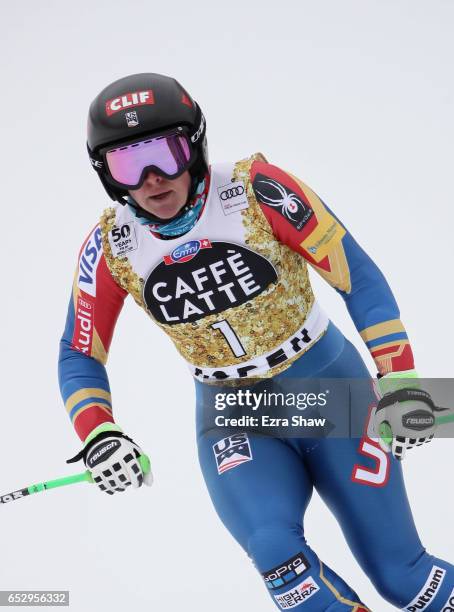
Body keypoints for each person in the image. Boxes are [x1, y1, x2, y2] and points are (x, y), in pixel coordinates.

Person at [59, 72, 453, 611]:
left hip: (330, 391)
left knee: (404, 577)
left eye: (165, 154)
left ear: (194, 145)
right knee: (276, 557)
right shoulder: (111, 247)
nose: (152, 179)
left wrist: (403, 379)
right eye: (128, 164)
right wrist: (99, 432)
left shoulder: (259, 188)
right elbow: (80, 353)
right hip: (233, 412)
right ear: (106, 174)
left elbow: (356, 276)